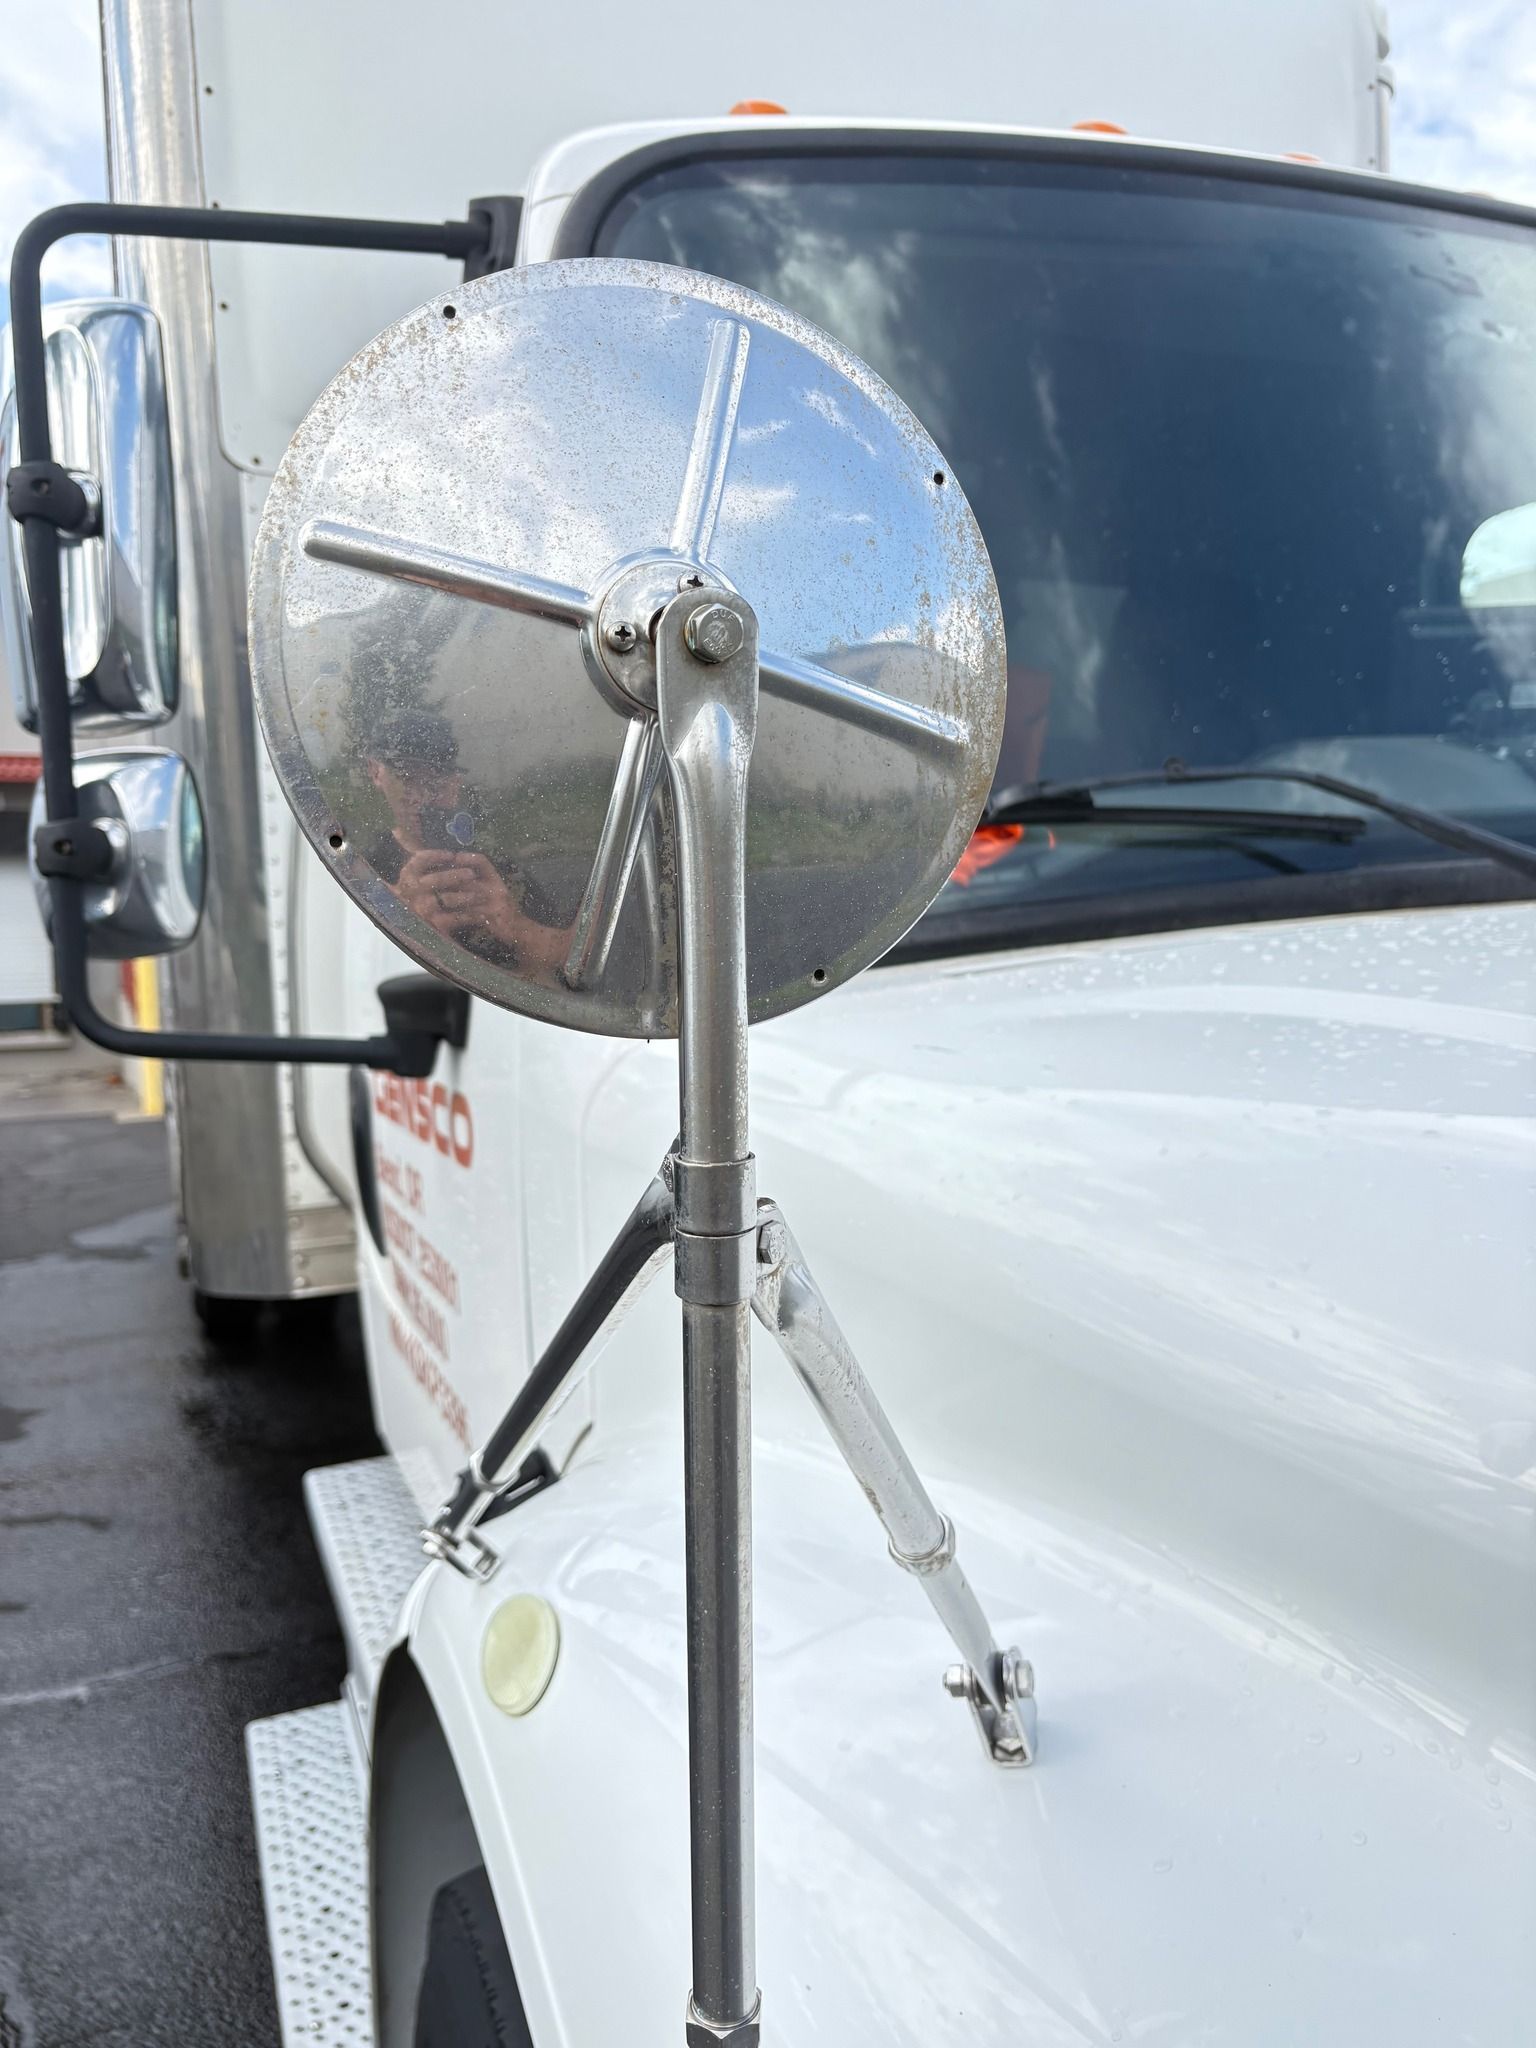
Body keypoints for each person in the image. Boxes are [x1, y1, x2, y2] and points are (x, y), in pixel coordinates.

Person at [361, 709, 566, 977]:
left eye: (437, 778)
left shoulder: (494, 869)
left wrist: (517, 928)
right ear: (376, 773)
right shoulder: (363, 872)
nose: (422, 794)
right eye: (407, 776)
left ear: (455, 784)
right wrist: (400, 918)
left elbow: (567, 967)